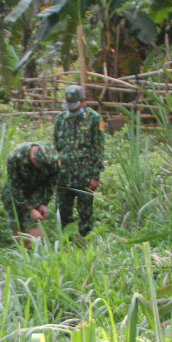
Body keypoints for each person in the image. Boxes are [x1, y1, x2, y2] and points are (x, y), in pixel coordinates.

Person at [53, 85, 106, 236]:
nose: (71, 108)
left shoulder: (94, 119)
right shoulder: (60, 119)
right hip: (63, 176)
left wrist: (95, 175)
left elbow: (99, 148)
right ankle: (65, 243)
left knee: (85, 213)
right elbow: (55, 146)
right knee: (62, 213)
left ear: (84, 101)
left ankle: (86, 241)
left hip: (85, 176)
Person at [1, 141, 59, 239]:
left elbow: (51, 181)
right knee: (17, 222)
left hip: (36, 191)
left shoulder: (51, 158)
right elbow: (15, 188)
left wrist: (44, 203)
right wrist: (29, 210)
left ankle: (35, 250)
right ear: (33, 158)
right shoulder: (16, 156)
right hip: (16, 192)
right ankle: (22, 250)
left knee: (33, 226)